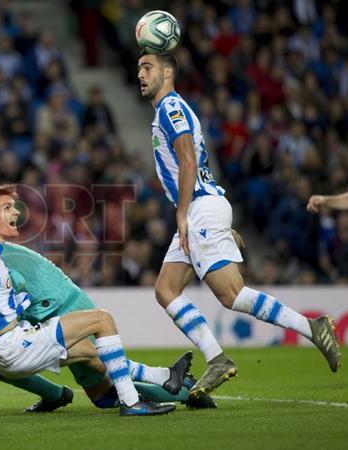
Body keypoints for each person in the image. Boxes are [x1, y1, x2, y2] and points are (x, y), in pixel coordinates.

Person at [136, 52, 341, 399]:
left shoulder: (171, 108)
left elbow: (188, 161)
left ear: (168, 72)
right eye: (139, 67)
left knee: (231, 294)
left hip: (197, 209)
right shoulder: (164, 111)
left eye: (147, 67)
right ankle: (216, 357)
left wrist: (185, 215)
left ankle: (311, 326)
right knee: (166, 290)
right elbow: (196, 164)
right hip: (203, 207)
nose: (140, 73)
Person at [0, 185, 177, 416]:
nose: (16, 213)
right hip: (13, 344)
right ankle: (138, 401)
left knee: (93, 366)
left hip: (10, 344)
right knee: (102, 320)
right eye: (7, 208)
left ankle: (166, 378)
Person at [0, 233, 214, 410]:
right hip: (44, 317)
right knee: (100, 396)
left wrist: (11, 321)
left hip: (63, 306)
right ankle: (57, 396)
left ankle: (185, 391)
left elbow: (19, 286)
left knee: (103, 372)